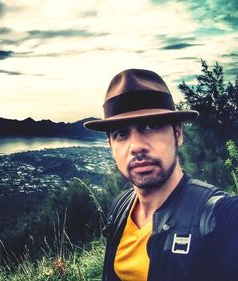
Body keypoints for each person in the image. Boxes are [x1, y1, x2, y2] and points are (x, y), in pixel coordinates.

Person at [83, 69, 238, 281]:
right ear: (111, 145)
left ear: (178, 133)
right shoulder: (120, 207)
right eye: (121, 133)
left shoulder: (221, 216)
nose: (136, 146)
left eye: (151, 126)